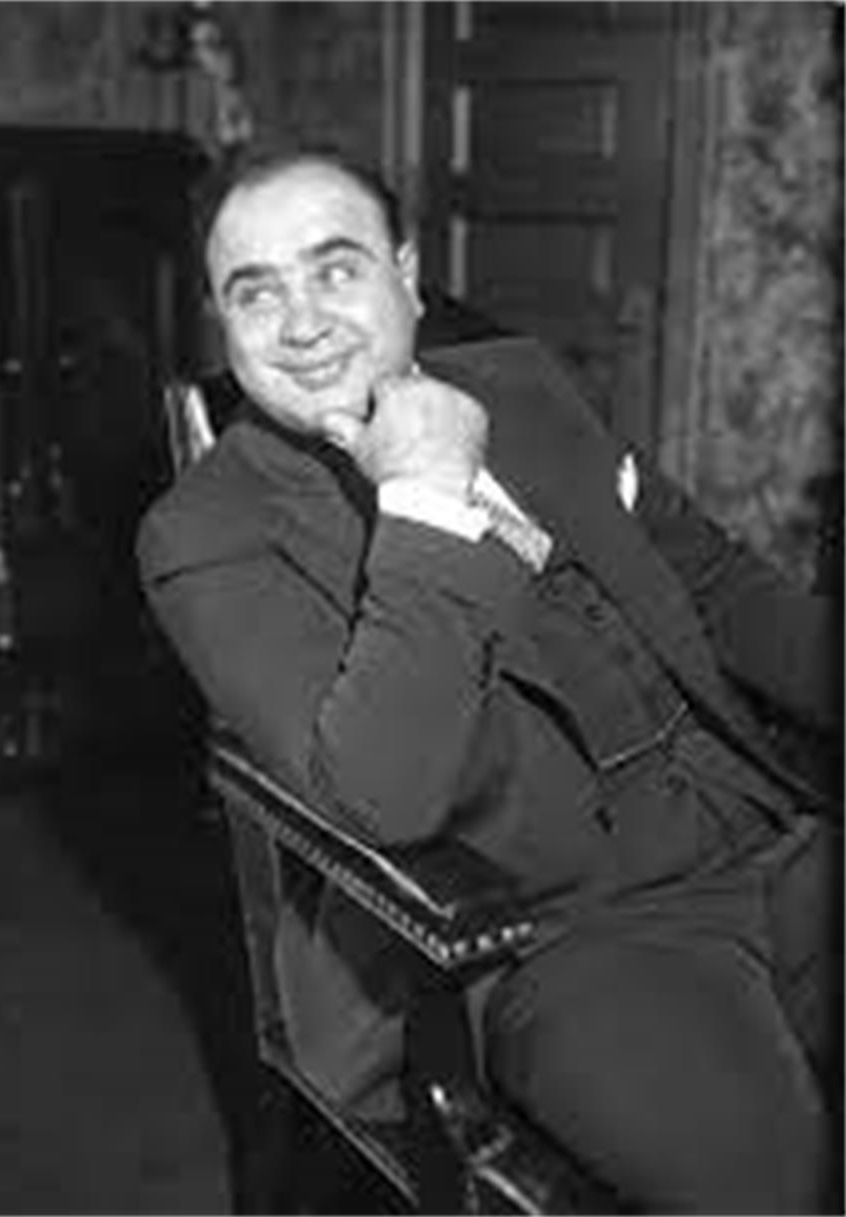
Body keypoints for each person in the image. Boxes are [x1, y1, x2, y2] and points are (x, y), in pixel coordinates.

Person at [137, 147, 841, 1213]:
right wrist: (424, 495)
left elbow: (715, 582)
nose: (302, 322)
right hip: (574, 936)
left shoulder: (523, 383)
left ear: (407, 275)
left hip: (770, 833)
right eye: (256, 291)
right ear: (220, 324)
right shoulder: (207, 532)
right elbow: (382, 793)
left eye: (336, 269)